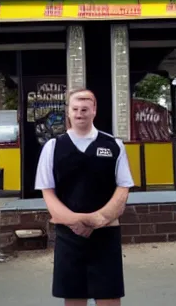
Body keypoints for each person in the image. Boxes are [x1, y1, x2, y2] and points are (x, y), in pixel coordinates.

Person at [35, 88, 134, 306]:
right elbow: (47, 192)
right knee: (74, 298)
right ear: (68, 112)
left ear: (94, 111)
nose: (80, 113)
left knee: (109, 297)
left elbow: (123, 189)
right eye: (75, 109)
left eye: (85, 109)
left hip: (106, 234)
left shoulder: (113, 145)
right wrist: (75, 222)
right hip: (68, 235)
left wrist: (99, 219)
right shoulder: (53, 147)